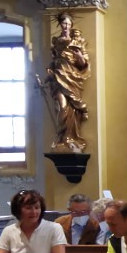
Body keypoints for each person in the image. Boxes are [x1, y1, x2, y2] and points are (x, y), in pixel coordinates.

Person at [44, 12, 90, 151]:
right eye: (64, 23)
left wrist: (79, 56)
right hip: (58, 76)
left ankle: (68, 137)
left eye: (69, 24)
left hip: (72, 77)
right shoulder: (56, 41)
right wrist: (49, 69)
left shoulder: (77, 42)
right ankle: (61, 137)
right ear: (60, 24)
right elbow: (54, 60)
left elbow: (83, 63)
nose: (66, 26)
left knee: (72, 109)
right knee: (61, 107)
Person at [0, 189, 66, 253]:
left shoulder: (54, 228)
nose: (34, 212)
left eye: (37, 207)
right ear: (18, 210)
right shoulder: (8, 231)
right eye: (28, 208)